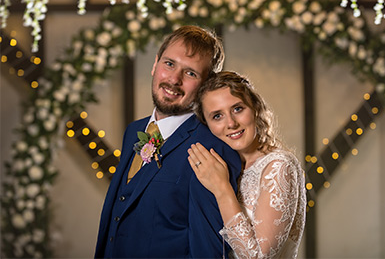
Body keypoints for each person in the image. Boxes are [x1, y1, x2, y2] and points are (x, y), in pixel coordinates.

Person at [95, 26, 242, 258]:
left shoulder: (211, 147)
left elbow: (208, 250)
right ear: (155, 64)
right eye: (169, 64)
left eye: (190, 73)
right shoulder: (134, 131)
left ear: (206, 85)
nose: (174, 79)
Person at [187, 71, 306, 258]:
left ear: (255, 108)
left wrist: (222, 189)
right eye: (217, 116)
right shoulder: (230, 167)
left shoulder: (279, 165)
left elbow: (257, 256)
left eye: (237, 109)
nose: (231, 123)